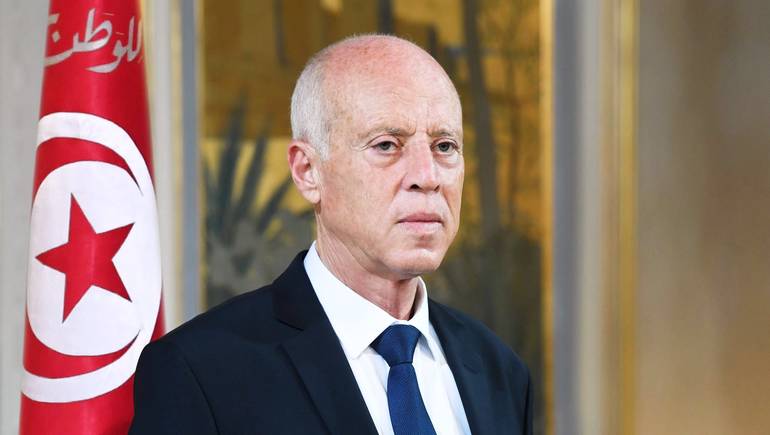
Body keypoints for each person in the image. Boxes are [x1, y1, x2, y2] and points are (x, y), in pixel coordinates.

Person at [130, 34, 533, 435]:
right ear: (307, 171)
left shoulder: (500, 372)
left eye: (444, 146)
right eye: (387, 145)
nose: (427, 177)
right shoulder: (200, 374)